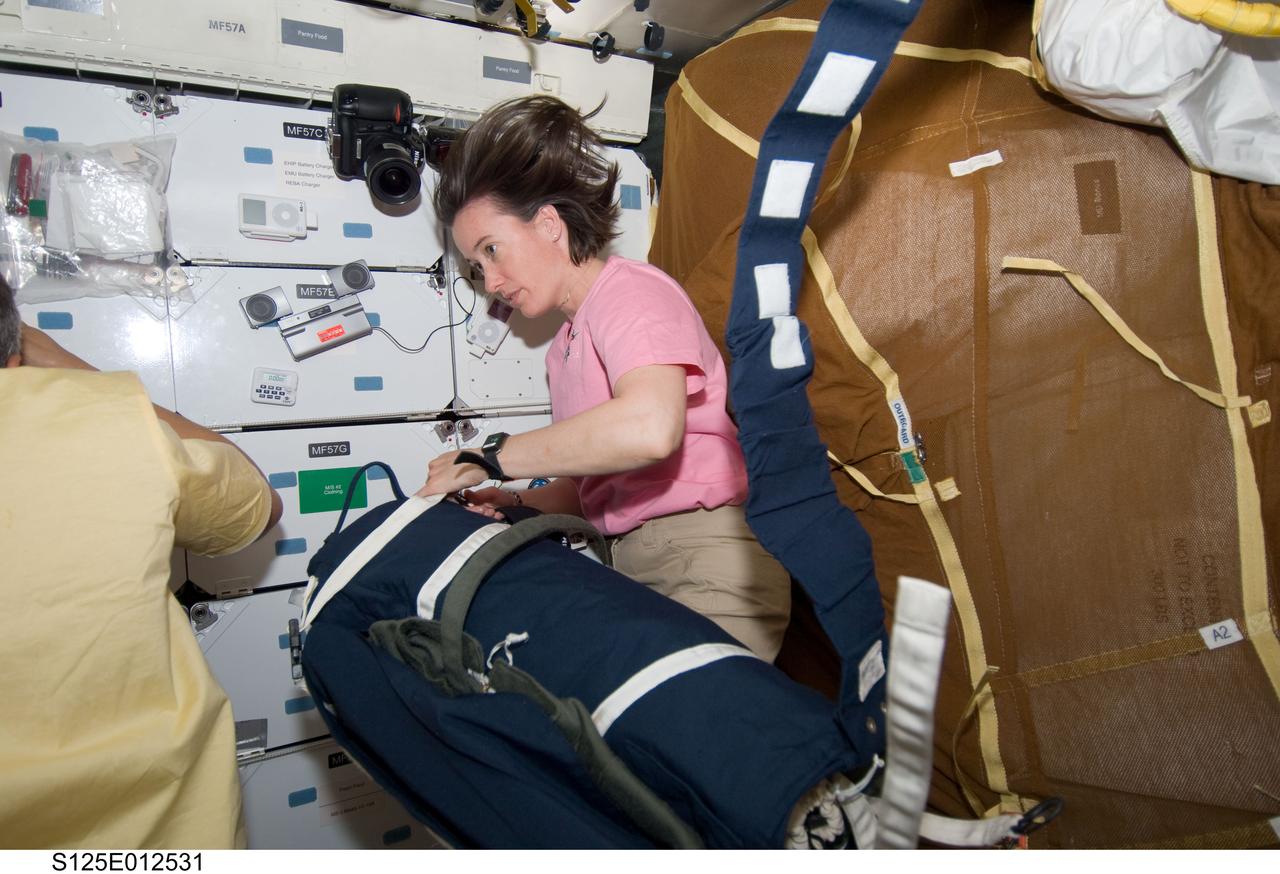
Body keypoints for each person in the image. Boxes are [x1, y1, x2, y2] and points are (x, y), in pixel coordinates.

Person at [419, 95, 790, 661]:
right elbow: (598, 487)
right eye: (476, 266)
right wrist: (511, 500)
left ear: (547, 225)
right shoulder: (563, 347)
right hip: (633, 563)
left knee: (689, 740)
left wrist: (492, 455)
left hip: (705, 553)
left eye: (492, 251)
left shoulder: (630, 292)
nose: (490, 280)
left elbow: (648, 429)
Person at [0, 275, 283, 848]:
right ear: (16, 353)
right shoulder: (104, 422)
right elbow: (256, 503)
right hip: (158, 829)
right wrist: (92, 382)